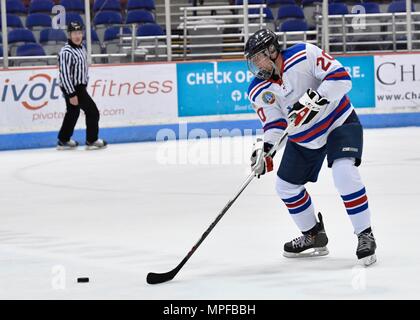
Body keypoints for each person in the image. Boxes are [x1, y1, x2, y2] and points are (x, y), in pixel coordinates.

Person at [245, 29, 377, 266]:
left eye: (259, 58)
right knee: (286, 187)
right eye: (253, 61)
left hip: (338, 122)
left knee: (343, 172)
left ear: (273, 51)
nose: (256, 65)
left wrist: (315, 99)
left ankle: (364, 234)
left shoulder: (304, 54)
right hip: (304, 139)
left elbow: (341, 79)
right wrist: (265, 149)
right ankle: (313, 235)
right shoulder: (257, 90)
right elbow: (275, 124)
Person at [57, 21, 107, 150]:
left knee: (73, 112)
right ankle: (92, 139)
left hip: (79, 86)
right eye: (74, 33)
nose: (77, 35)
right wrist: (71, 94)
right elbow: (65, 75)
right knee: (93, 112)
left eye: (79, 32)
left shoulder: (82, 47)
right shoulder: (66, 52)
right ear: (69, 35)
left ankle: (63, 139)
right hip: (73, 87)